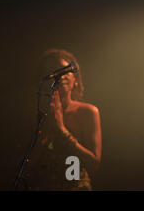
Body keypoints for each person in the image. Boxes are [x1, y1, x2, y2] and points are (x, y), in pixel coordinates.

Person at [22, 49, 102, 190]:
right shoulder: (37, 113)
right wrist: (44, 133)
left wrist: (61, 130)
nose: (61, 76)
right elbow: (26, 167)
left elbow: (93, 163)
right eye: (55, 72)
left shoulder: (87, 112)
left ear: (75, 79)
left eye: (65, 71)